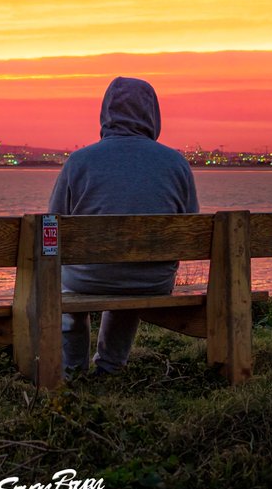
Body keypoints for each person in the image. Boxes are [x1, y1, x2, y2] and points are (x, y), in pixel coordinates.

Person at [48, 76, 199, 375]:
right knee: (131, 272)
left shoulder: (79, 162)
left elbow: (52, 224)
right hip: (153, 280)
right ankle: (110, 366)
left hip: (88, 279)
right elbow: (192, 225)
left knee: (64, 283)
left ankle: (72, 370)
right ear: (153, 113)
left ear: (106, 112)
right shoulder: (176, 163)